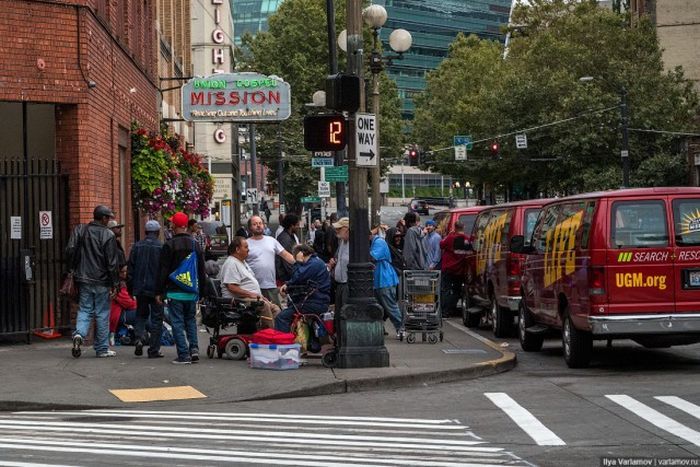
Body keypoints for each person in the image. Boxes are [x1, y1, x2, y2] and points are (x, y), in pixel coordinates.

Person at [65, 205, 120, 358]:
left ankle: (79, 335)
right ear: (102, 218)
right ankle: (102, 348)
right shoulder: (108, 235)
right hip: (102, 280)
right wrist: (115, 283)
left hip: (83, 278)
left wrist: (72, 269)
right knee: (102, 313)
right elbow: (111, 262)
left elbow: (69, 250)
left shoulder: (80, 230)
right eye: (108, 217)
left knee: (84, 309)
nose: (109, 220)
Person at [156, 211, 206, 365]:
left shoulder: (169, 245)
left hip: (174, 291)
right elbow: (201, 270)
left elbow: (163, 270)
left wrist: (159, 291)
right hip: (191, 291)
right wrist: (202, 291)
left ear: (174, 226)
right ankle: (194, 349)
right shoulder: (194, 244)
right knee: (190, 320)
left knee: (177, 322)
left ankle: (183, 355)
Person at [218, 236, 280, 329]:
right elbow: (231, 287)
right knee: (264, 306)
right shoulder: (231, 263)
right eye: (246, 247)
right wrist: (252, 295)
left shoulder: (242, 262)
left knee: (275, 309)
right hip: (238, 301)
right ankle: (268, 335)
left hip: (249, 298)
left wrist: (259, 296)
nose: (248, 250)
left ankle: (274, 334)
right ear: (237, 249)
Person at [127, 219, 165, 358]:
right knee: (157, 319)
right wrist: (163, 290)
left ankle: (139, 338)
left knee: (141, 315)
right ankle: (154, 349)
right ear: (158, 232)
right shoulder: (161, 247)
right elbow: (164, 270)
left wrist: (131, 289)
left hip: (140, 288)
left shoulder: (137, 246)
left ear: (146, 232)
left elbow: (130, 269)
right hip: (156, 290)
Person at [275, 244, 331, 333]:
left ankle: (283, 342)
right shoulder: (315, 261)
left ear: (301, 254)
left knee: (282, 317)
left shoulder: (313, 264)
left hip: (315, 302)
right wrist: (288, 284)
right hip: (316, 300)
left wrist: (298, 262)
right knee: (290, 309)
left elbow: (297, 276)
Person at [245, 215, 295, 309]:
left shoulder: (272, 241)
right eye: (255, 224)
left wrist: (302, 263)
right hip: (252, 287)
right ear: (250, 228)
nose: (258, 226)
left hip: (270, 285)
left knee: (275, 313)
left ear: (264, 225)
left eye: (260, 223)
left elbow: (285, 255)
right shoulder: (246, 244)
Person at [370, 226, 404, 339]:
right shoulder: (375, 242)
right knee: (379, 307)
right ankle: (381, 328)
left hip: (384, 279)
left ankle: (401, 328)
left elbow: (372, 257)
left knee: (390, 306)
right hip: (380, 279)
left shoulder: (379, 242)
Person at [440, 221, 470, 318]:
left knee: (446, 289)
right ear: (464, 227)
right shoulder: (466, 239)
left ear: (455, 227)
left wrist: (448, 235)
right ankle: (451, 309)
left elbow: (441, 244)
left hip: (448, 268)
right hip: (459, 269)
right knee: (456, 290)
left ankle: (445, 311)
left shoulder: (451, 237)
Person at [109, 265, 137, 347]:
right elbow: (131, 304)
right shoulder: (120, 285)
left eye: (126, 271)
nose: (124, 274)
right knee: (144, 313)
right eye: (122, 272)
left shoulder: (125, 283)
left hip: (118, 315)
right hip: (116, 317)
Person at [329, 217, 350, 312]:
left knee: (344, 312)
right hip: (340, 284)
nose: (336, 231)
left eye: (339, 229)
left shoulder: (352, 243)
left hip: (347, 284)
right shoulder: (342, 242)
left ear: (347, 229)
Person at [276, 213, 300, 285]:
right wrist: (296, 275)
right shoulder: (285, 239)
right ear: (292, 226)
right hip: (285, 277)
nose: (298, 227)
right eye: (297, 225)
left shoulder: (290, 236)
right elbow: (286, 260)